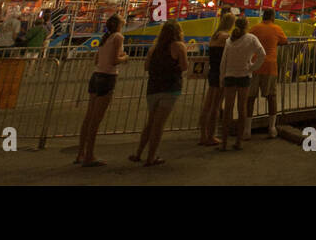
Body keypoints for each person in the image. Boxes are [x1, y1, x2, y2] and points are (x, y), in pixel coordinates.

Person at [130, 21, 188, 166]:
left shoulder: (154, 48)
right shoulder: (179, 46)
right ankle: (151, 156)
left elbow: (146, 66)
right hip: (170, 88)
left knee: (150, 123)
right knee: (158, 125)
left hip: (153, 88)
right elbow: (184, 66)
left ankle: (138, 153)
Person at [76, 15, 128, 167]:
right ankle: (89, 155)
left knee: (89, 117)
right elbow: (114, 60)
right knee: (96, 120)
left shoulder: (104, 38)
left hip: (96, 75)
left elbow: (96, 60)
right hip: (107, 77)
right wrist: (125, 57)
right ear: (118, 25)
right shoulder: (118, 37)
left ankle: (81, 152)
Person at [218, 19, 265, 150]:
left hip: (229, 76)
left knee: (227, 109)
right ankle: (238, 141)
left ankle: (224, 143)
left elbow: (224, 61)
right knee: (241, 108)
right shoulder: (251, 39)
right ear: (247, 26)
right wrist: (252, 67)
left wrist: (222, 77)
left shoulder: (229, 41)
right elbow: (262, 54)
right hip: (244, 76)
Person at [245, 8, 289, 139]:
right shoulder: (276, 29)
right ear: (273, 17)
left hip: (254, 65)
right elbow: (284, 41)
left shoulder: (254, 28)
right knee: (271, 96)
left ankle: (247, 129)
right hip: (270, 66)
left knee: (250, 98)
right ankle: (272, 128)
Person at [198, 14, 236, 146]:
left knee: (207, 105)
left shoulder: (215, 36)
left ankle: (203, 135)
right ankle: (211, 136)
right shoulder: (226, 37)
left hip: (213, 71)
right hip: (220, 72)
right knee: (216, 106)